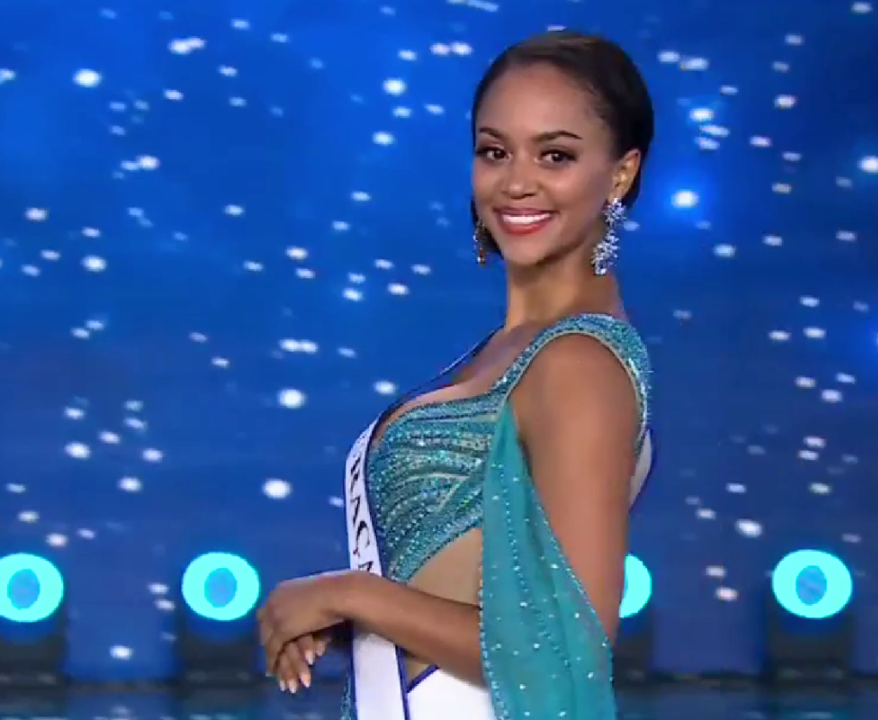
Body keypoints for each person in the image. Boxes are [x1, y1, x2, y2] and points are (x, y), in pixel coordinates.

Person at [257, 30, 656, 720]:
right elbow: (474, 601)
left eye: (555, 155)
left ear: (620, 174)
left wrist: (349, 593)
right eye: (494, 151)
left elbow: (565, 654)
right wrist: (358, 620)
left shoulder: (579, 364)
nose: (517, 181)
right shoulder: (508, 349)